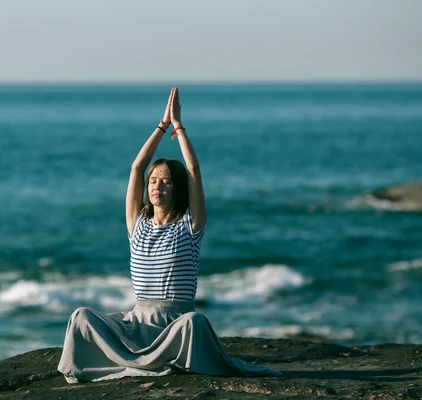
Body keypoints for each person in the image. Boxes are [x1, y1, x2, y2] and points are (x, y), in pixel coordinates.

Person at [57, 88, 281, 383]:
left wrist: (178, 127)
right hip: (136, 325)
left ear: (177, 189)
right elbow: (136, 167)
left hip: (175, 327)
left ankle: (148, 363)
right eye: (153, 181)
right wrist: (161, 126)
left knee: (195, 322)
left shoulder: (190, 227)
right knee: (81, 316)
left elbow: (194, 169)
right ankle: (132, 362)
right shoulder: (137, 224)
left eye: (165, 182)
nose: (156, 186)